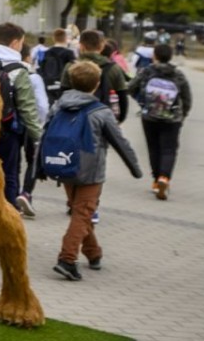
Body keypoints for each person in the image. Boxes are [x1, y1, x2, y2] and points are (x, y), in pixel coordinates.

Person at [49, 59, 142, 281]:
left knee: (81, 211)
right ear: (97, 84)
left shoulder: (58, 106)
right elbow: (120, 142)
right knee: (83, 213)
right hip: (91, 172)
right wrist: (136, 169)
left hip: (65, 166)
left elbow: (46, 135)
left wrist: (39, 168)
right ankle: (67, 259)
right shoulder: (100, 111)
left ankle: (94, 253)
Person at [0, 23, 45, 217]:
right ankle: (8, 213)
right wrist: (38, 136)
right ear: (15, 42)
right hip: (7, 128)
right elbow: (27, 108)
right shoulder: (19, 70)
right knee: (9, 172)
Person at [131, 43, 193, 198]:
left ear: (154, 56)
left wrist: (143, 101)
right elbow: (187, 98)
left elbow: (131, 87)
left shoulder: (147, 71)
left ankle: (155, 180)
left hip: (149, 116)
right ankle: (164, 177)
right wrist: (182, 113)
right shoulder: (178, 75)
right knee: (169, 149)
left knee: (154, 148)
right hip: (172, 118)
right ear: (170, 56)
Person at [77, 29, 130, 122]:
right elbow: (122, 95)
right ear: (102, 46)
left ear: (81, 46)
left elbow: (63, 91)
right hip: (103, 116)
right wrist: (121, 118)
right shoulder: (113, 68)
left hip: (75, 116)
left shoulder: (71, 66)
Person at [38, 27, 75, 101]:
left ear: (53, 38)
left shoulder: (46, 53)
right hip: (64, 86)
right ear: (65, 38)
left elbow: (41, 68)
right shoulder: (69, 53)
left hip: (48, 85)